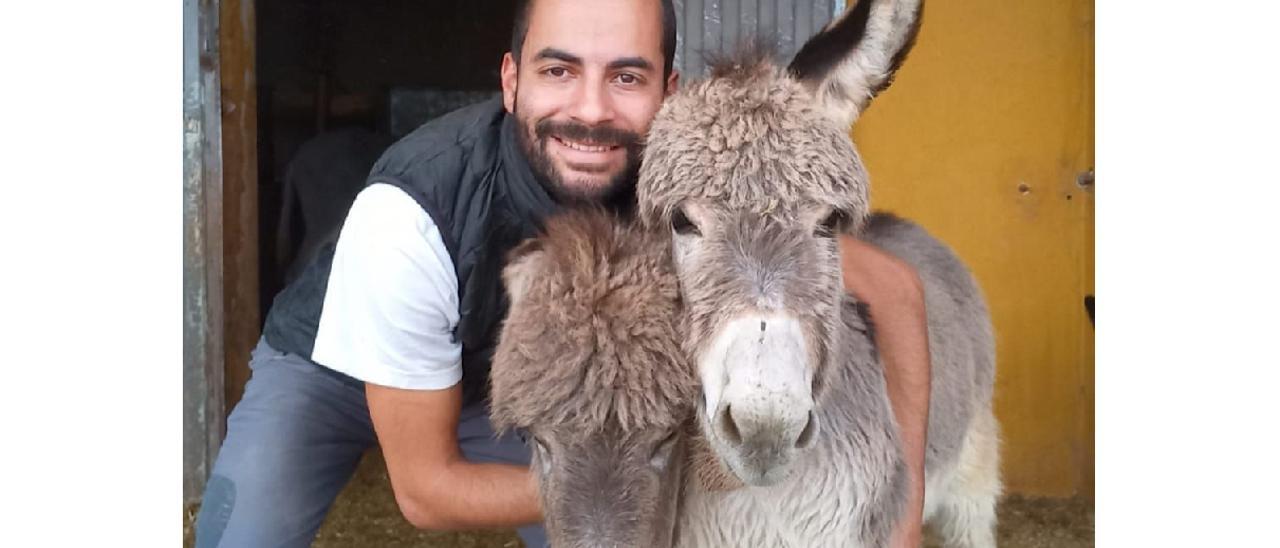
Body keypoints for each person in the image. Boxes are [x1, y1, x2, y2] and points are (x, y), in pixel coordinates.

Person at [193, 0, 931, 546]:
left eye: (626, 76)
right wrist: (616, 489)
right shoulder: (408, 216)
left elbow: (893, 288)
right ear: (510, 79)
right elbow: (425, 491)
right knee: (243, 534)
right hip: (336, 375)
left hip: (533, 389)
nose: (590, 109)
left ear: (666, 92)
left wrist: (904, 506)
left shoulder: (682, 184)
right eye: (559, 70)